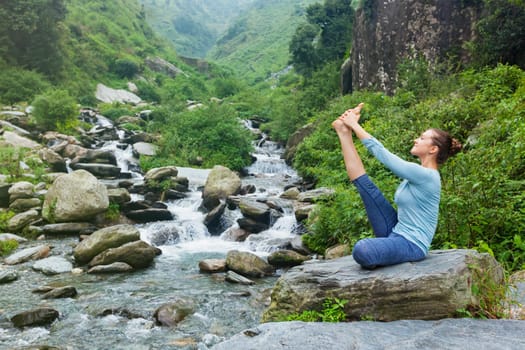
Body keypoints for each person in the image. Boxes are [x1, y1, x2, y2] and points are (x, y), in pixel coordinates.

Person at [331, 103, 462, 269]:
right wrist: (349, 128)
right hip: (396, 231)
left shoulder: (428, 176)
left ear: (433, 149)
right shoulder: (419, 174)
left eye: (422, 138)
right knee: (366, 186)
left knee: (362, 250)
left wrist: (355, 125)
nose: (416, 139)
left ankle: (381, 252)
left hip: (412, 244)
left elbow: (383, 154)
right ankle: (343, 134)